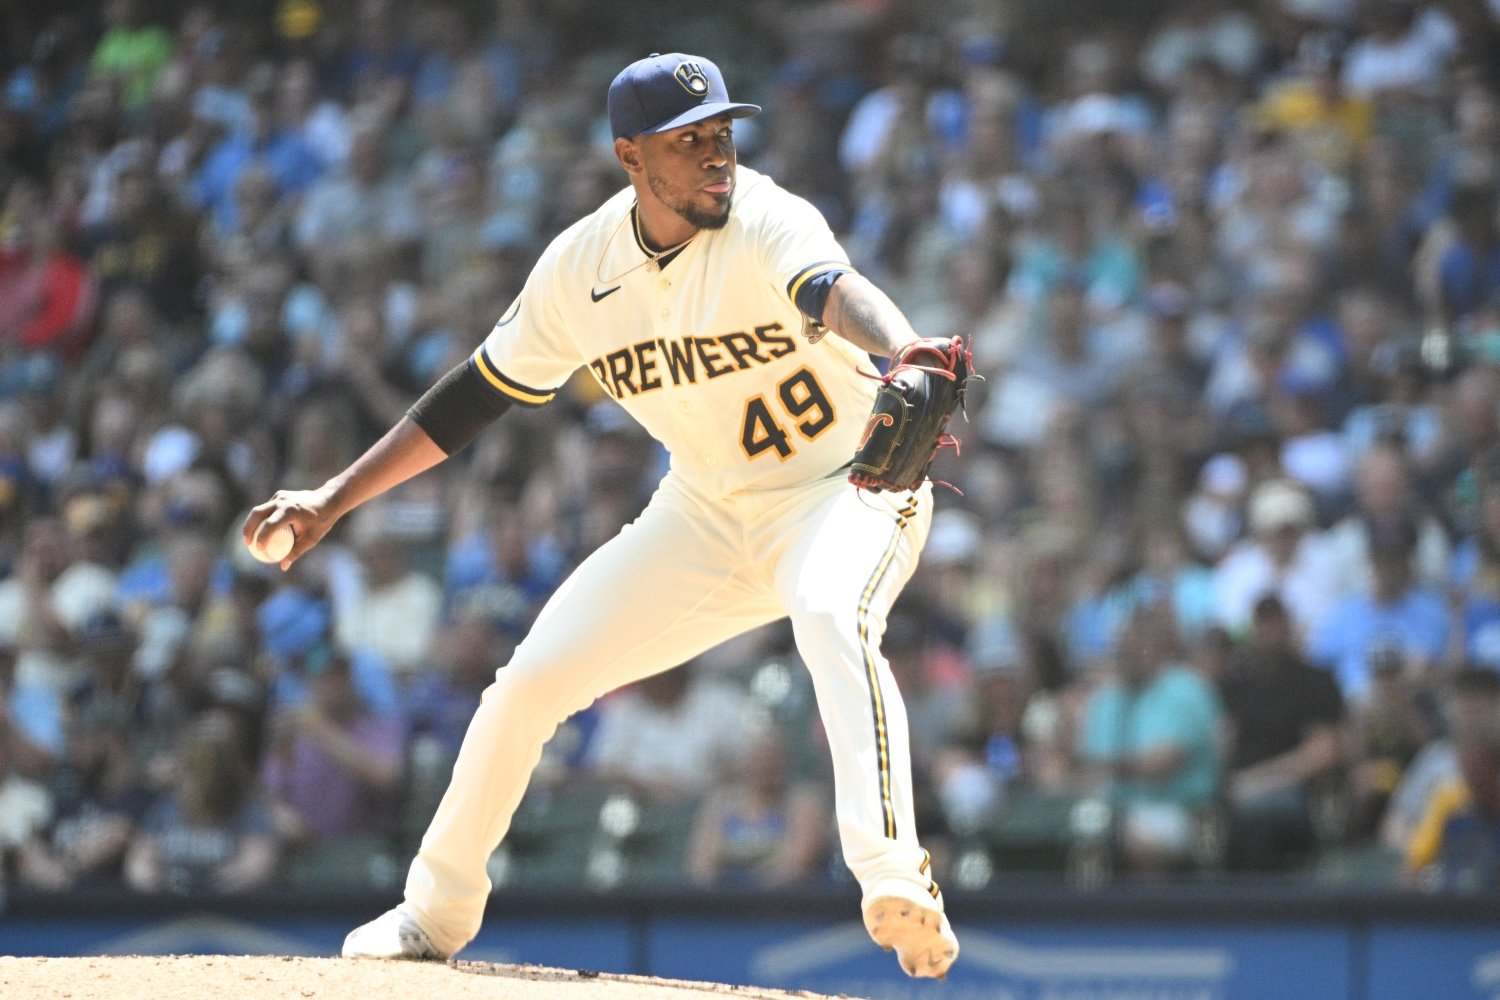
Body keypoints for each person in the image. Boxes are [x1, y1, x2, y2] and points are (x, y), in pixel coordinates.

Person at [243, 53, 960, 979]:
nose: (716, 157)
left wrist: (904, 347)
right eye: (689, 140)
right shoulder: (580, 268)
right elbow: (472, 398)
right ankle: (432, 912)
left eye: (723, 135)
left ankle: (893, 876)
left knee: (830, 615)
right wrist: (333, 498)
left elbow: (833, 289)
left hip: (843, 493)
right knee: (528, 683)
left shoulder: (767, 217)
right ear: (631, 156)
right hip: (703, 512)